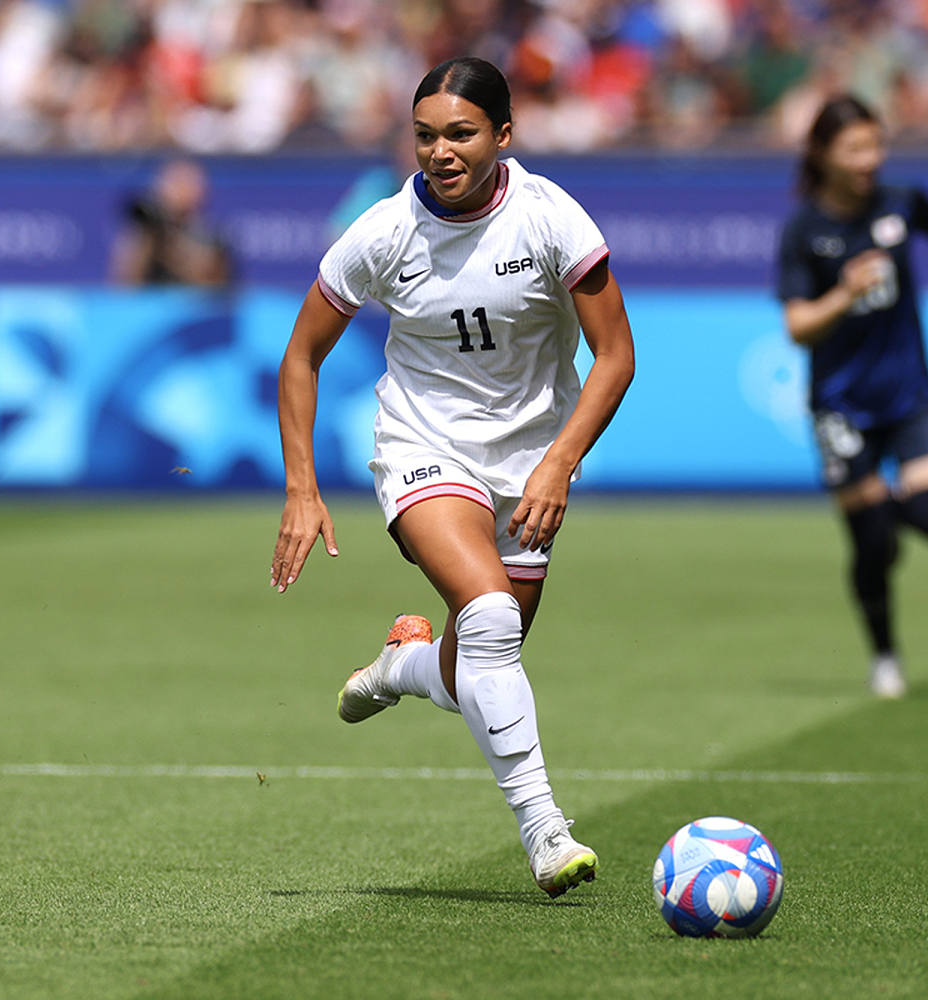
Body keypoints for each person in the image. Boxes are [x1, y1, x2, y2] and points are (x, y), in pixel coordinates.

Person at [269, 57, 635, 897]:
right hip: (422, 448)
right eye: (427, 135)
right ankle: (545, 830)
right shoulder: (384, 232)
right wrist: (301, 488)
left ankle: (402, 667)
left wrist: (557, 463)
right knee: (496, 618)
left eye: (462, 134)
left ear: (503, 136)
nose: (441, 151)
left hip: (531, 465)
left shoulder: (550, 221)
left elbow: (616, 356)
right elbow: (301, 358)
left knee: (476, 662)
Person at [776, 94, 928, 699]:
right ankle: (885, 657)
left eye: (876, 144)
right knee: (873, 545)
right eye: (855, 148)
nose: (869, 159)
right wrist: (845, 294)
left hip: (909, 397)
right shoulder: (806, 229)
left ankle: (879, 509)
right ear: (822, 155)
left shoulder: (903, 203)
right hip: (841, 405)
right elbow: (798, 327)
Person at [111, 158, 232, 287]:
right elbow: (124, 283)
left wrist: (168, 246)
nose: (179, 191)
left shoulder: (211, 235)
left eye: (186, 183)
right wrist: (147, 240)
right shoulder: (146, 231)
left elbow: (210, 282)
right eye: (174, 183)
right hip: (151, 303)